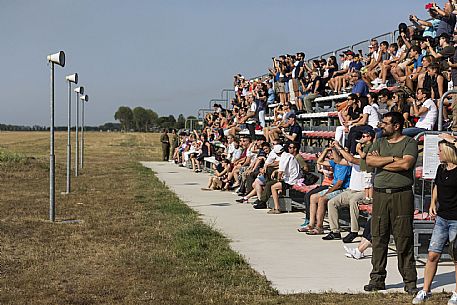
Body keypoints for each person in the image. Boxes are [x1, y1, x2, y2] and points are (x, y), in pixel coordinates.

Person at [364, 111, 418, 294]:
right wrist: (392, 159)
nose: (381, 126)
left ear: (396, 126)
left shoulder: (409, 143)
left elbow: (406, 165)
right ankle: (377, 279)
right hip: (380, 195)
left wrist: (381, 162)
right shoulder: (379, 141)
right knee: (378, 237)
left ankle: (410, 281)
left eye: (385, 123)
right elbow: (369, 160)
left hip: (401, 195)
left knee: (403, 239)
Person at [412, 133, 457, 305]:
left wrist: (453, 140)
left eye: (440, 150)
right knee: (432, 255)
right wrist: (432, 202)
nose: (437, 154)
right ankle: (425, 290)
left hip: (456, 219)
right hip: (442, 217)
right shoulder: (441, 168)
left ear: (447, 151)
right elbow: (436, 185)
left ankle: (455, 293)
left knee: (456, 257)